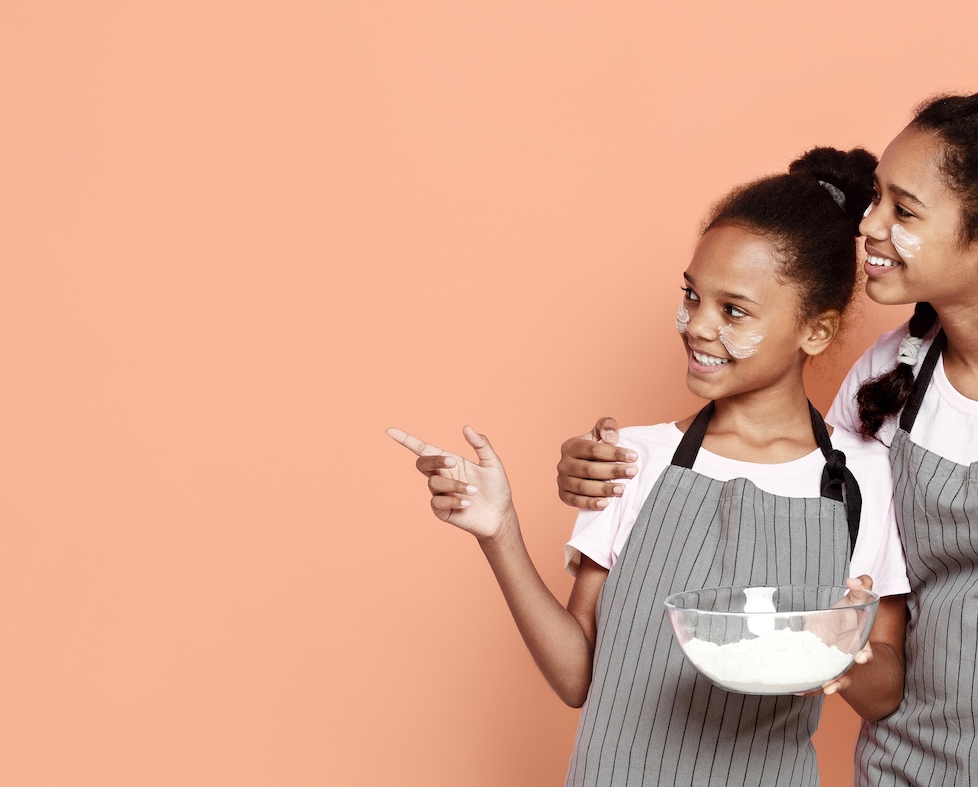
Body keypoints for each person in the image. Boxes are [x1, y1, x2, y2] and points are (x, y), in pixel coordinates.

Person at [546, 93, 978, 786]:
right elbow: (787, 488)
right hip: (905, 771)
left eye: (904, 210)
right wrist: (608, 471)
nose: (868, 226)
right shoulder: (882, 377)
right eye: (876, 200)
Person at [390, 147, 910, 787]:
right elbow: (577, 676)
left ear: (817, 332)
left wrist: (846, 645)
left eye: (734, 310)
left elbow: (886, 694)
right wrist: (500, 532)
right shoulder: (632, 459)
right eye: (692, 296)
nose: (698, 326)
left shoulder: (864, 478)